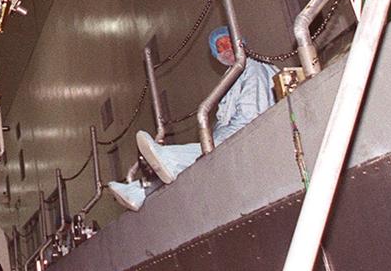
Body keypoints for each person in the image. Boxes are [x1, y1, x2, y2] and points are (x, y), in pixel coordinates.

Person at [107, 27, 278, 212]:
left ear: (240, 42)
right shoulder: (231, 77)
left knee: (181, 160)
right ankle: (139, 190)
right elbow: (225, 122)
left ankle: (152, 175)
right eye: (219, 47)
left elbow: (250, 116)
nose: (225, 49)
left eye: (228, 42)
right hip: (233, 141)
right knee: (183, 164)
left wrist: (212, 145)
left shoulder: (254, 68)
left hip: (254, 139)